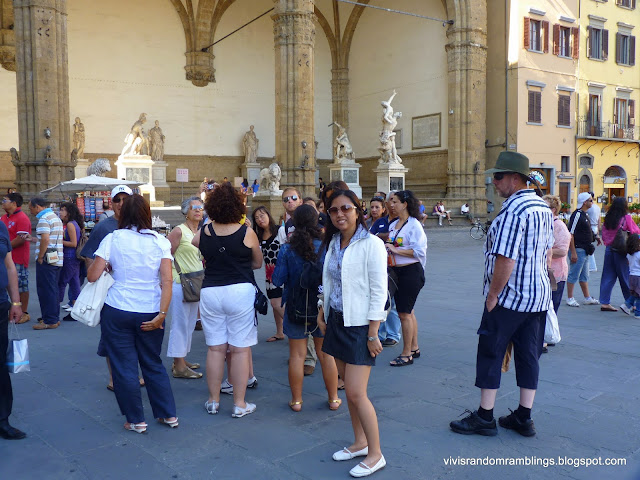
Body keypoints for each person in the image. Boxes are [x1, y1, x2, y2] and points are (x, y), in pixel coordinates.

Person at [449, 151, 553, 438]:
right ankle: (524, 416)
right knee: (529, 355)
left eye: (498, 176)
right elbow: (545, 252)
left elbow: (505, 259)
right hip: (537, 297)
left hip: (510, 298)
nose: (493, 182)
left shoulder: (513, 211)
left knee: (491, 352)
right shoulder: (543, 208)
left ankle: (484, 416)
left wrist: (493, 295)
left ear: (515, 178)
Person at [87, 194, 177, 434]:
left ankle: (136, 419)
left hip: (118, 308)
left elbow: (92, 276)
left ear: (123, 213)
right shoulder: (160, 241)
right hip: (150, 309)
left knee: (124, 366)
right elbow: (167, 280)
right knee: (153, 362)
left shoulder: (113, 238)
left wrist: (106, 266)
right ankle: (168, 414)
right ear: (147, 214)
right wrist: (162, 314)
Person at [319, 189, 387, 477]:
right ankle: (360, 442)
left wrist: (374, 332)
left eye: (345, 208)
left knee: (358, 393)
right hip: (337, 321)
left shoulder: (371, 244)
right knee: (349, 390)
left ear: (358, 210)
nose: (339, 215)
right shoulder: (334, 242)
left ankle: (376, 454)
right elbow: (329, 281)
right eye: (334, 210)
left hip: (360, 326)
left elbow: (378, 291)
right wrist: (322, 310)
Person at [192, 183, 263, 418]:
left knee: (215, 348)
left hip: (211, 290)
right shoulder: (246, 232)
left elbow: (195, 244)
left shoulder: (205, 231)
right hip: (239, 291)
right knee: (240, 350)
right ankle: (239, 403)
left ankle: (213, 401)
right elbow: (257, 263)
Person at [272, 204, 339, 412]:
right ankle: (333, 399)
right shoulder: (327, 247)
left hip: (295, 306)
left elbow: (277, 279)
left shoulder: (287, 249)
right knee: (325, 354)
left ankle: (297, 401)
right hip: (322, 308)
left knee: (297, 355)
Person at [80, 184, 138, 391]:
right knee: (111, 336)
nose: (121, 204)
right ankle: (114, 378)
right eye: (117, 200)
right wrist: (100, 273)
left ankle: (130, 374)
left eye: (125, 199)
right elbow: (88, 255)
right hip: (110, 290)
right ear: (111, 204)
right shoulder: (103, 227)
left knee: (133, 336)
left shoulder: (139, 227)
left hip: (132, 290)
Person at [386, 191, 427, 367]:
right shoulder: (394, 224)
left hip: (411, 272)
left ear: (405, 204)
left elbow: (419, 251)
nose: (391, 205)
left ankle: (406, 353)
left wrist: (396, 250)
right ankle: (414, 348)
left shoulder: (414, 225)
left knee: (404, 313)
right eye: (390, 202)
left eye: (394, 202)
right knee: (408, 312)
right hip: (396, 272)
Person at [166, 196, 205, 379]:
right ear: (186, 212)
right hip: (180, 282)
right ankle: (179, 366)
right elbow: (166, 255)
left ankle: (180, 359)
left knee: (189, 323)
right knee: (180, 324)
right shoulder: (178, 231)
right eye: (194, 208)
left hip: (195, 281)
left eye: (200, 207)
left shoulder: (200, 231)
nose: (198, 210)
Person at [0, 220, 27, 440]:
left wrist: (16, 302)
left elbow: (9, 266)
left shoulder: (0, 227)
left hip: (0, 304)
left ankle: (2, 419)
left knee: (0, 363)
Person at [26, 197, 63, 330]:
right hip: (56, 258)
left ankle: (49, 320)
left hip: (47, 259)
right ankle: (54, 317)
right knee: (53, 289)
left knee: (46, 290)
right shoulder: (54, 217)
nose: (30, 211)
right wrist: (34, 239)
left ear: (38, 207)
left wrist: (40, 256)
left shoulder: (43, 219)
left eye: (31, 208)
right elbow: (48, 239)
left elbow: (46, 240)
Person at [599, 197, 640, 312]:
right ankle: (629, 303)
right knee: (625, 276)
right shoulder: (626, 218)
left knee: (608, 275)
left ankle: (604, 302)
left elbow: (604, 234)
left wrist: (609, 242)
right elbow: (635, 232)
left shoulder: (608, 218)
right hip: (621, 250)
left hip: (609, 249)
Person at [252, 206, 285, 342]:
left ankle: (296, 328)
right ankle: (280, 332)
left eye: (262, 215)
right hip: (269, 275)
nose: (260, 219)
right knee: (274, 304)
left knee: (276, 303)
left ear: (268, 215)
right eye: (257, 218)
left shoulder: (280, 231)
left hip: (282, 272)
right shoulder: (258, 236)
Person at [542, 195, 570, 352]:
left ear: (553, 210)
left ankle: (545, 339)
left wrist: (543, 248)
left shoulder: (559, 226)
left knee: (550, 306)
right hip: (545, 271)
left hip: (556, 273)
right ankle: (547, 336)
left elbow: (562, 250)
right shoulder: (545, 224)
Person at [1, 193, 31, 324]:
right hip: (6, 257)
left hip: (18, 258)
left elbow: (21, 239)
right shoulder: (3, 218)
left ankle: (23, 312)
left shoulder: (22, 218)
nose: (2, 202)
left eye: (5, 200)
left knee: (21, 285)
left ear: (14, 203)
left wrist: (5, 247)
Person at [566, 192, 599, 308]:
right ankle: (570, 298)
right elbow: (571, 234)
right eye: (590, 200)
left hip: (585, 249)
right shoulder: (577, 215)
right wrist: (573, 251)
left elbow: (586, 231)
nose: (592, 202)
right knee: (574, 274)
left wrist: (595, 237)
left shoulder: (585, 215)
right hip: (578, 249)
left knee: (584, 275)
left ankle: (587, 297)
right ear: (585, 202)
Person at [58, 202, 84, 322]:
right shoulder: (73, 224)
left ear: (69, 212)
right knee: (74, 284)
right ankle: (76, 310)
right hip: (73, 258)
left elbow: (73, 243)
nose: (60, 212)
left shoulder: (70, 225)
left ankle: (54, 308)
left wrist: (58, 241)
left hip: (69, 257)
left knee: (62, 283)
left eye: (63, 210)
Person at [622, 234, 640, 318]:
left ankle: (627, 305)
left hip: (632, 276)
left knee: (635, 294)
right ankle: (638, 313)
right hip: (638, 276)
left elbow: (629, 263)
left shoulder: (629, 254)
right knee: (639, 296)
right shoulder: (638, 254)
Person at [586, 192, 602, 273]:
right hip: (595, 226)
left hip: (590, 227)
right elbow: (599, 219)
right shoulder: (597, 207)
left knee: (588, 246)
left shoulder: (589, 207)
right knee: (590, 245)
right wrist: (598, 229)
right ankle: (591, 265)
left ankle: (592, 266)